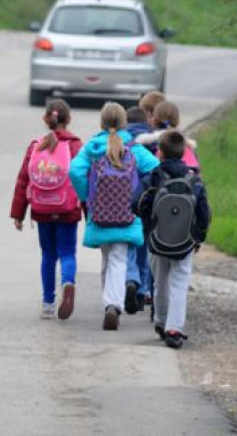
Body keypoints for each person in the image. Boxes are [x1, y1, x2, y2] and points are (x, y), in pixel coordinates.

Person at [69, 102, 159, 330]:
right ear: (124, 123)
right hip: (127, 213)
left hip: (99, 212)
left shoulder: (92, 147)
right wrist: (142, 195)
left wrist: (86, 197)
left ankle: (109, 302)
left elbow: (75, 170)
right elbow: (156, 169)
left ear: (101, 122)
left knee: (107, 257)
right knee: (119, 258)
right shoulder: (134, 148)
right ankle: (113, 305)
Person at [136, 130, 211, 348]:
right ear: (185, 152)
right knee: (179, 283)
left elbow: (137, 202)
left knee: (160, 282)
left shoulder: (154, 177)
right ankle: (174, 328)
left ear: (159, 153)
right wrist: (198, 237)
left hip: (157, 239)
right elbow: (204, 213)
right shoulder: (194, 180)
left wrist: (148, 226)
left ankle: (160, 321)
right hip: (185, 242)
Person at [11, 99, 84, 320]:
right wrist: (90, 210)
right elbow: (84, 178)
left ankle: (48, 303)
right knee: (67, 252)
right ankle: (68, 282)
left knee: (48, 255)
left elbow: (23, 179)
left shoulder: (36, 146)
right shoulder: (75, 145)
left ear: (45, 119)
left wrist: (18, 213)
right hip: (67, 209)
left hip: (42, 208)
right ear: (69, 119)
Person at [124, 105, 154, 313]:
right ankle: (143, 289)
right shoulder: (153, 141)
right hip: (147, 204)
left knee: (128, 248)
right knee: (145, 247)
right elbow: (156, 168)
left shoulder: (123, 143)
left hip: (123, 204)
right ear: (148, 121)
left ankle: (130, 279)